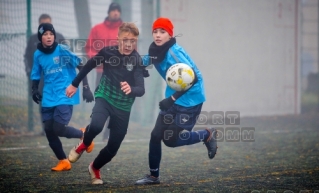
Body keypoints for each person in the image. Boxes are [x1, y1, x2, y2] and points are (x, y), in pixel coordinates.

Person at [135, 18, 218, 185]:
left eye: (162, 32)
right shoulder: (155, 50)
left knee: (170, 140)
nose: (158, 35)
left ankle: (207, 134)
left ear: (170, 35)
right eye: (155, 31)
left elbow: (193, 79)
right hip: (173, 98)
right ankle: (153, 176)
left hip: (190, 101)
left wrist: (171, 99)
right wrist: (136, 66)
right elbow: (143, 61)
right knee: (156, 135)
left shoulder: (174, 53)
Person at [66, 22, 146, 184]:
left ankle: (94, 168)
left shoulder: (137, 60)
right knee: (96, 126)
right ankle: (84, 143)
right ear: (118, 39)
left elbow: (141, 89)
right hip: (105, 97)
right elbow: (88, 66)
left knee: (113, 147)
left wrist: (131, 89)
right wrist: (75, 84)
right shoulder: (107, 53)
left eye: (133, 41)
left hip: (123, 107)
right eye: (125, 40)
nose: (129, 44)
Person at [31, 23, 95, 171]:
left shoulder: (62, 50)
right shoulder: (38, 55)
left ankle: (84, 135)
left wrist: (85, 87)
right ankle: (63, 161)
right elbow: (35, 74)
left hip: (65, 94)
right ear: (41, 37)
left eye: (51, 34)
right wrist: (34, 89)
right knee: (49, 129)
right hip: (48, 96)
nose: (49, 37)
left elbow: (81, 65)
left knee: (58, 128)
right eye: (45, 34)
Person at [85, 2, 123, 141]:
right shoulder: (97, 29)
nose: (115, 13)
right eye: (113, 10)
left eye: (118, 10)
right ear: (108, 12)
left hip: (120, 73)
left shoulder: (124, 30)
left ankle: (109, 130)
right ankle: (96, 125)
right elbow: (89, 47)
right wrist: (97, 59)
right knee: (101, 100)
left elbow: (132, 49)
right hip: (101, 72)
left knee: (116, 102)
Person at [24, 13, 66, 135]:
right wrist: (29, 71)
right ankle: (46, 129)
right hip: (41, 77)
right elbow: (27, 57)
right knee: (43, 101)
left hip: (57, 77)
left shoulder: (59, 37)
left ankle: (58, 126)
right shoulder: (33, 39)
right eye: (43, 24)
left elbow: (67, 56)